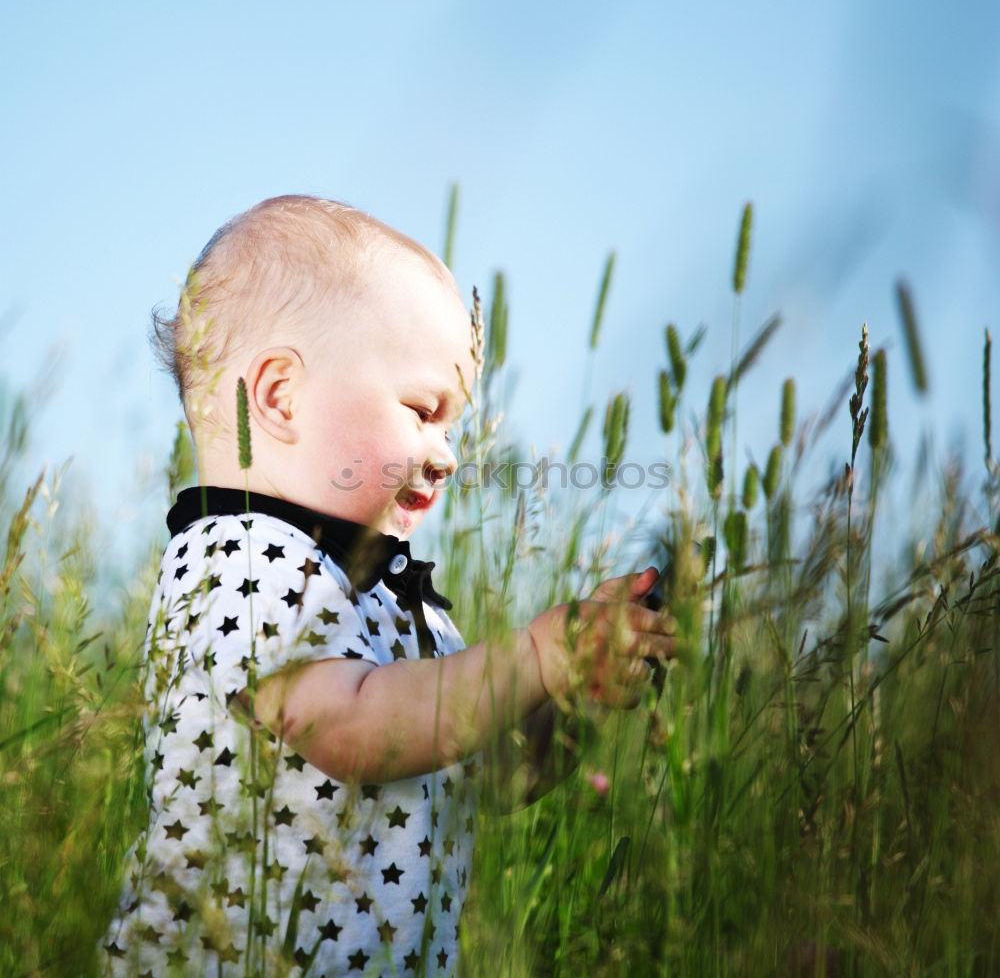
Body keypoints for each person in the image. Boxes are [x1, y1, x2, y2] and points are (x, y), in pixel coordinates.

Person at [101, 196, 675, 977]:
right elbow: (352, 728)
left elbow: (488, 773)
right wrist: (535, 656)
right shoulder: (239, 554)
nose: (445, 454)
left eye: (452, 427)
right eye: (422, 410)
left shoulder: (387, 596)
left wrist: (574, 691)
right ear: (278, 397)